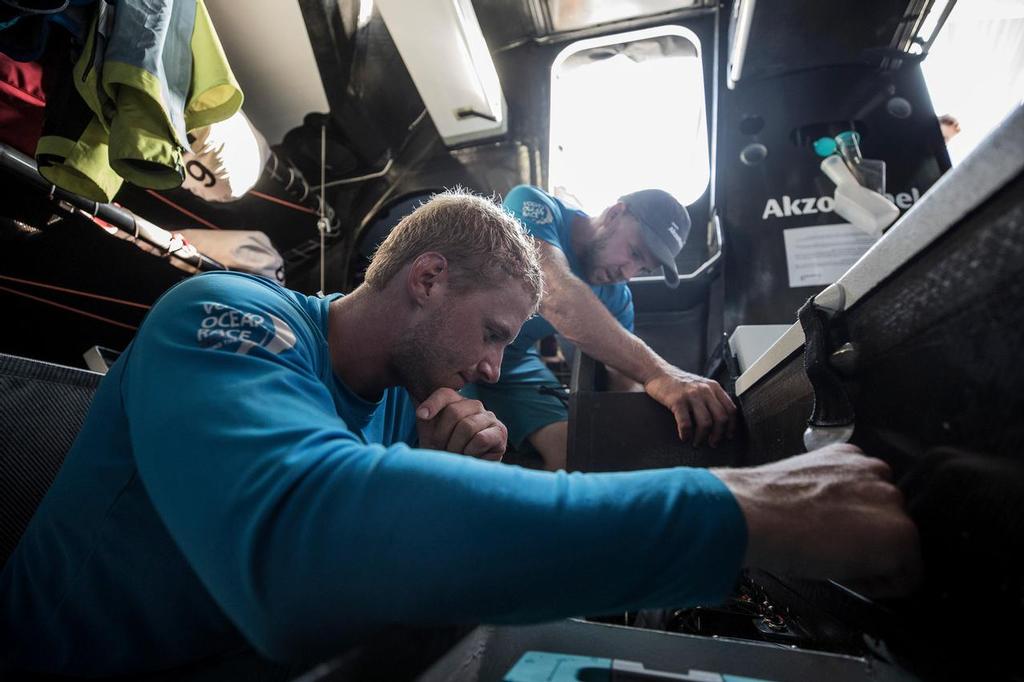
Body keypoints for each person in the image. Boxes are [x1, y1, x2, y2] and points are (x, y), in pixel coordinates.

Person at [0, 190, 920, 679]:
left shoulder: (405, 403)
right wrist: (742, 510)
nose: (492, 372)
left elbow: (374, 564)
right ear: (428, 278)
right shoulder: (230, 316)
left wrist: (420, 481)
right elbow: (299, 554)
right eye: (493, 337)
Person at [464, 185, 736, 471]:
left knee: (574, 453)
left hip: (513, 361)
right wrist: (660, 373)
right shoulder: (535, 207)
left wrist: (658, 432)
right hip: (463, 341)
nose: (627, 273)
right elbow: (554, 293)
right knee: (464, 447)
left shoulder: (618, 299)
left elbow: (623, 376)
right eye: (634, 252)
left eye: (642, 268)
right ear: (615, 213)